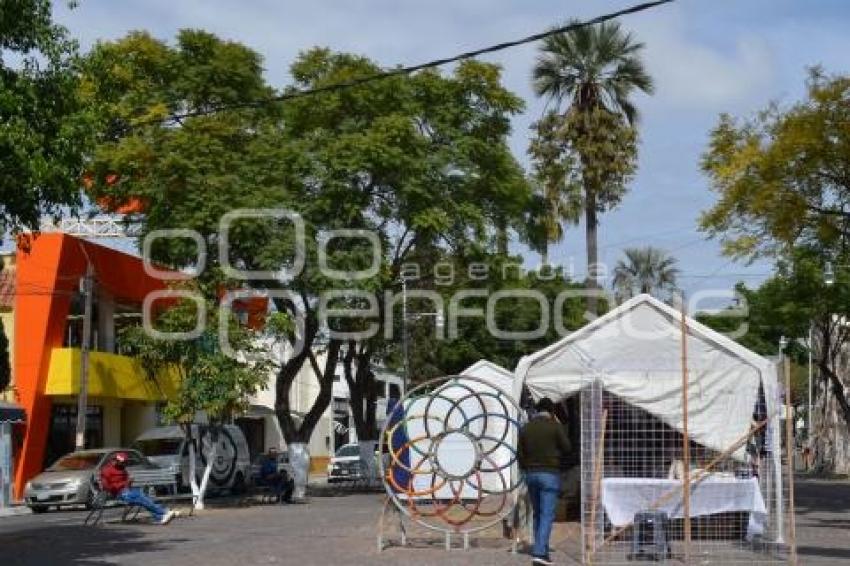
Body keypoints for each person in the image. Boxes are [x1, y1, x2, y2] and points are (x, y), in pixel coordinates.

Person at [518, 398, 572, 566]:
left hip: (531, 474)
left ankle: (540, 548)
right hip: (549, 473)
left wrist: (527, 468)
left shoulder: (525, 428)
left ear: (537, 410)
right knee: (547, 514)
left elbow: (519, 453)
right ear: (552, 412)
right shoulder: (555, 427)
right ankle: (540, 553)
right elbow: (567, 448)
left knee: (537, 513)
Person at [99, 452, 176, 525]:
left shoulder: (122, 469)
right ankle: (163, 512)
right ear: (115, 460)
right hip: (118, 494)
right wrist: (125, 483)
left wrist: (129, 482)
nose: (123, 464)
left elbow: (126, 483)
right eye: (121, 462)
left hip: (127, 491)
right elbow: (107, 487)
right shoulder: (106, 471)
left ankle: (161, 516)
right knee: (141, 498)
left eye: (124, 462)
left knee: (142, 498)